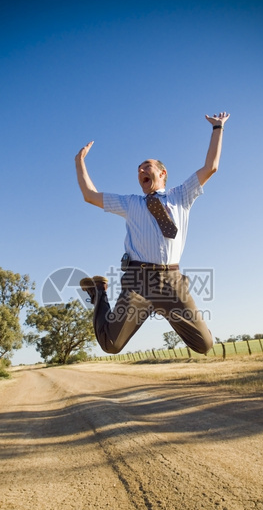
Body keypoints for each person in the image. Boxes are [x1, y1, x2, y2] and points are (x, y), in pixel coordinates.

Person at [75, 112, 230, 355]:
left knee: (205, 345)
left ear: (162, 173)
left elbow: (211, 166)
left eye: (146, 167)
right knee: (111, 344)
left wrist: (218, 128)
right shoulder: (130, 203)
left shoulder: (181, 195)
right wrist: (79, 162)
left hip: (172, 282)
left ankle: (170, 310)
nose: (140, 172)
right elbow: (90, 195)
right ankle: (98, 292)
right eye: (138, 170)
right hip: (139, 281)